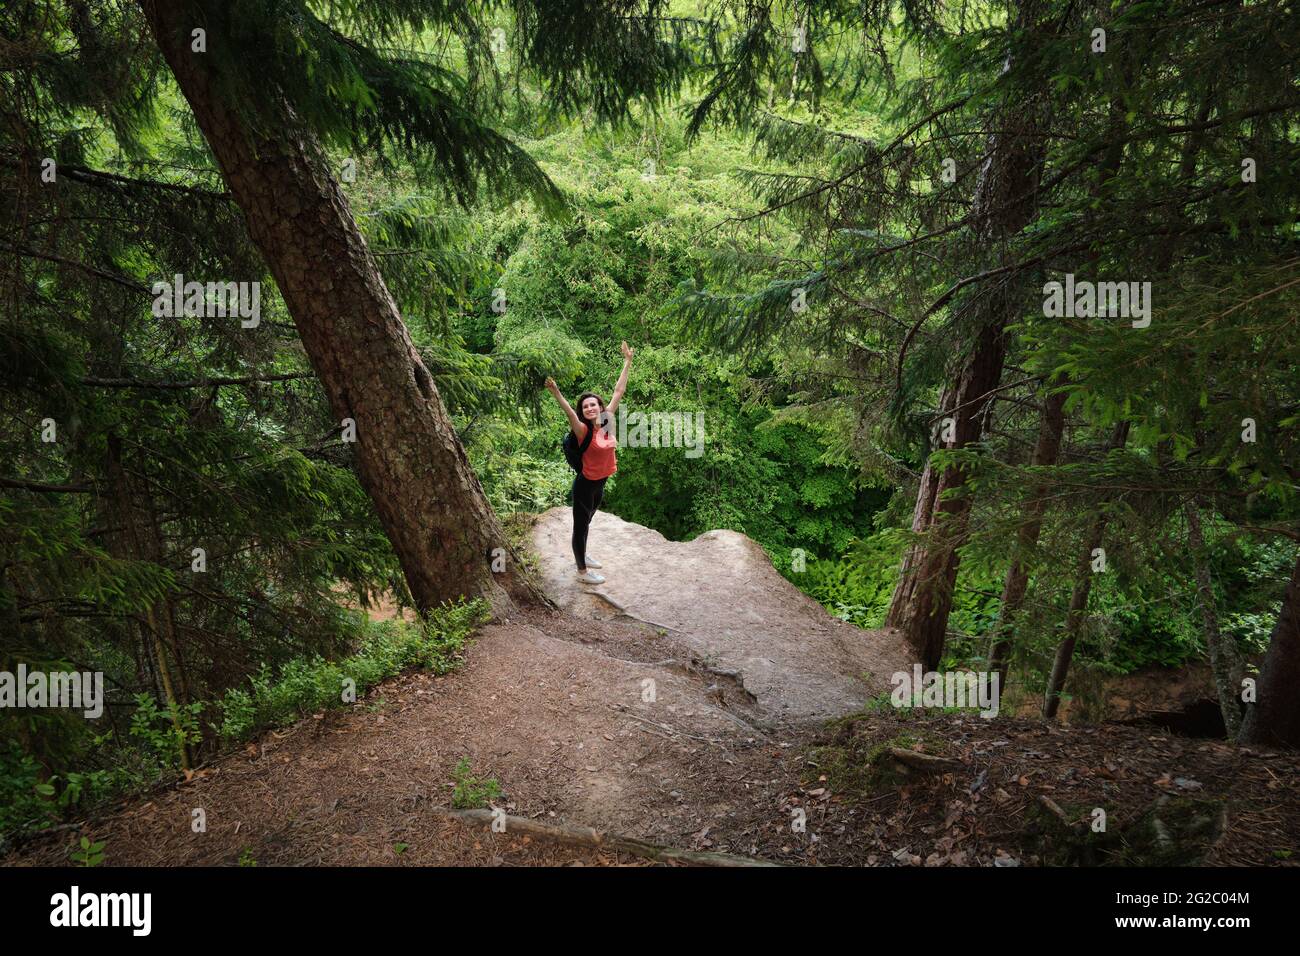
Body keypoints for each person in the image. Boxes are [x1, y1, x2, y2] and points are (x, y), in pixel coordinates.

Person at [544, 342, 633, 584]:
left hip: (601, 482)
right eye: (586, 406)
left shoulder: (606, 421)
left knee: (588, 521)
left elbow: (618, 392)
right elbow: (569, 413)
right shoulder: (582, 430)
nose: (590, 408)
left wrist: (627, 361)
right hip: (585, 485)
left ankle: (582, 554)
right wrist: (556, 392)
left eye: (593, 404)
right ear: (583, 412)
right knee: (581, 526)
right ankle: (582, 572)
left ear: (600, 407)